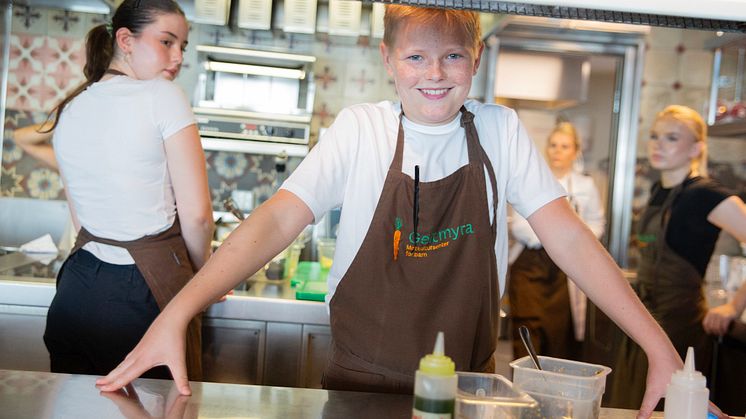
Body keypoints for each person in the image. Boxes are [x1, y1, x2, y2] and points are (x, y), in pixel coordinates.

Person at [98, 6, 683, 417]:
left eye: (453, 55)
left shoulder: (500, 131)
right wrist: (177, 313)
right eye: (417, 56)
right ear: (387, 57)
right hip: (358, 389)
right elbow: (278, 219)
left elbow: (570, 239)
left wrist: (659, 349)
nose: (434, 73)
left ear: (476, 58)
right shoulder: (362, 129)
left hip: (466, 391)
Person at [42, 0, 213, 381]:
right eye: (167, 42)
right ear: (125, 40)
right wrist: (205, 280)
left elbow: (79, 217)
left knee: (78, 407)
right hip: (142, 293)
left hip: (76, 288)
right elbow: (198, 215)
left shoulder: (72, 106)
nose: (178, 56)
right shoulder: (163, 96)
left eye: (182, 46)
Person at [609, 105, 746, 410]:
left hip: (680, 328)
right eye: (655, 136)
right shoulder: (659, 190)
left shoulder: (706, 195)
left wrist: (733, 305)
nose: (658, 144)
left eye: (671, 138)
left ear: (696, 148)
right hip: (643, 323)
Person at [508, 122, 605, 360]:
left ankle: (554, 393)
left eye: (564, 146)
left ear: (575, 151)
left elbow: (596, 222)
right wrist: (557, 236)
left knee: (559, 333)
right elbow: (519, 224)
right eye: (553, 145)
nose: (557, 151)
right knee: (526, 330)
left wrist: (572, 242)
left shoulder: (585, 185)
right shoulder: (531, 179)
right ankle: (525, 390)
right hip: (530, 262)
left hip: (566, 266)